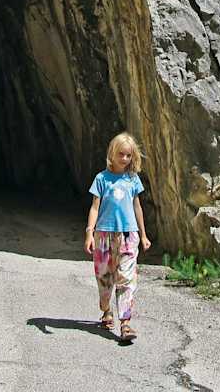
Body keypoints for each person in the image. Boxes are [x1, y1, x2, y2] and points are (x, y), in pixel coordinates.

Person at [84, 132, 151, 343]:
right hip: (103, 235)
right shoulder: (101, 179)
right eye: (121, 154)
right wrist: (89, 232)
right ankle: (106, 311)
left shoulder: (133, 179)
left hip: (128, 235)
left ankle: (125, 323)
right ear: (112, 154)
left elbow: (137, 206)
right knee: (105, 279)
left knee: (126, 278)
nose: (124, 159)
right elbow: (95, 207)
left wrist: (143, 234)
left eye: (128, 155)